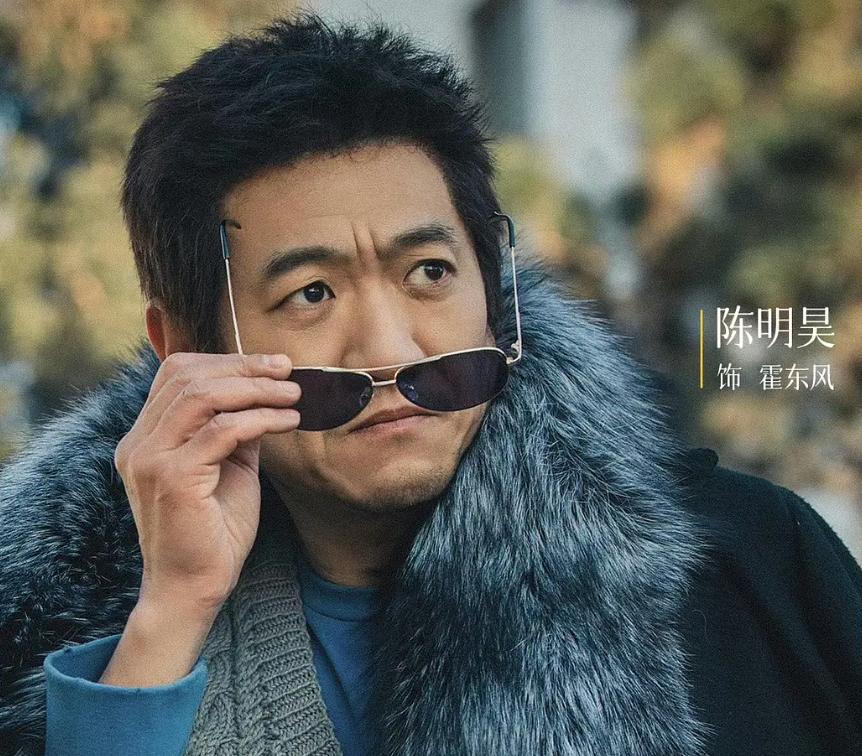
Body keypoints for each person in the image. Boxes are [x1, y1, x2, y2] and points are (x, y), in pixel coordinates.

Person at [0, 11, 860, 756]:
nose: (391, 348)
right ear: (184, 346)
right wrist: (171, 612)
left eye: (429, 273)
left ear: (493, 288)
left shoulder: (745, 564)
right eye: (312, 293)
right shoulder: (48, 631)